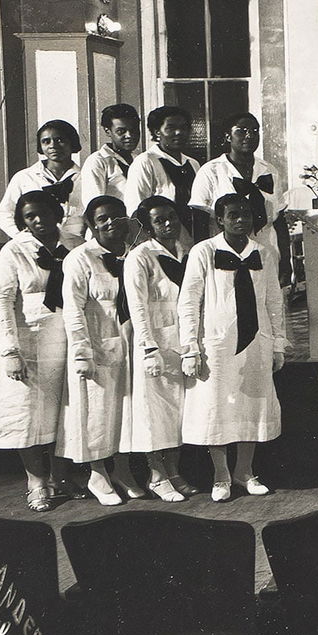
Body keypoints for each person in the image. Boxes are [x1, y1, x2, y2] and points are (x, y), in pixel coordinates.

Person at [178, 192, 287, 501]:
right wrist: (190, 347)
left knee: (251, 405)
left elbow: (274, 301)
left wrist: (278, 343)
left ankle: (245, 470)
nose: (241, 220)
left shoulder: (264, 253)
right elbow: (188, 301)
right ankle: (221, 475)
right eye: (233, 215)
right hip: (217, 345)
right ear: (220, 219)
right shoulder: (203, 251)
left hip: (256, 341)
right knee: (218, 406)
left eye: (246, 215)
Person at [0, 190, 79, 513]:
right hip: (27, 341)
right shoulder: (13, 251)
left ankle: (60, 477)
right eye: (30, 216)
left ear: (58, 212)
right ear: (22, 221)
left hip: (66, 338)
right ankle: (36, 482)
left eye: (44, 213)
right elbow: (2, 301)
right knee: (26, 412)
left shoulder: (74, 246)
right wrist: (10, 349)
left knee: (61, 411)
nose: (39, 220)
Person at [59, 196, 140, 505]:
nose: (110, 223)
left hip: (128, 344)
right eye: (102, 218)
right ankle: (97, 474)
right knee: (97, 412)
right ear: (91, 224)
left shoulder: (133, 254)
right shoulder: (80, 258)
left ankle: (122, 470)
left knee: (126, 411)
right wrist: (82, 352)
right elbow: (73, 309)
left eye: (116, 217)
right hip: (96, 346)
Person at [123, 196, 197, 501]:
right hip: (153, 341)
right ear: (148, 226)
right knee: (154, 412)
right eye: (159, 220)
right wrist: (148, 347)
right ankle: (156, 475)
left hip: (181, 341)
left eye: (172, 217)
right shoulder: (140, 257)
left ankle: (174, 471)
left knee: (177, 410)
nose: (168, 224)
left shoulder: (187, 253)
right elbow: (137, 306)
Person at [189, 112, 292, 286]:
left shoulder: (269, 171)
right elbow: (200, 222)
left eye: (254, 130)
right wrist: (204, 259)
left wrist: (286, 261)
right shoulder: (212, 171)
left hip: (266, 249)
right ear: (228, 136)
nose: (249, 136)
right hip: (225, 251)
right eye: (242, 131)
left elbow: (279, 221)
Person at [0, 119, 87, 247]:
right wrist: (23, 237)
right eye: (46, 141)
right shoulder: (24, 177)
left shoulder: (86, 177)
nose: (53, 145)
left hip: (76, 246)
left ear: (72, 142)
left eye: (60, 140)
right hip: (35, 246)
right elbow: (4, 213)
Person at [125, 105, 202, 239]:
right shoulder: (146, 162)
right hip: (160, 237)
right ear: (157, 132)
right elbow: (135, 209)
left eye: (183, 128)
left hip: (193, 234)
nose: (178, 132)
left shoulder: (193, 164)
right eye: (171, 128)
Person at [78, 103, 141, 208]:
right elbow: (94, 205)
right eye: (121, 131)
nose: (129, 135)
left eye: (134, 130)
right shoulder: (97, 161)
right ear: (108, 131)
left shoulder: (140, 160)